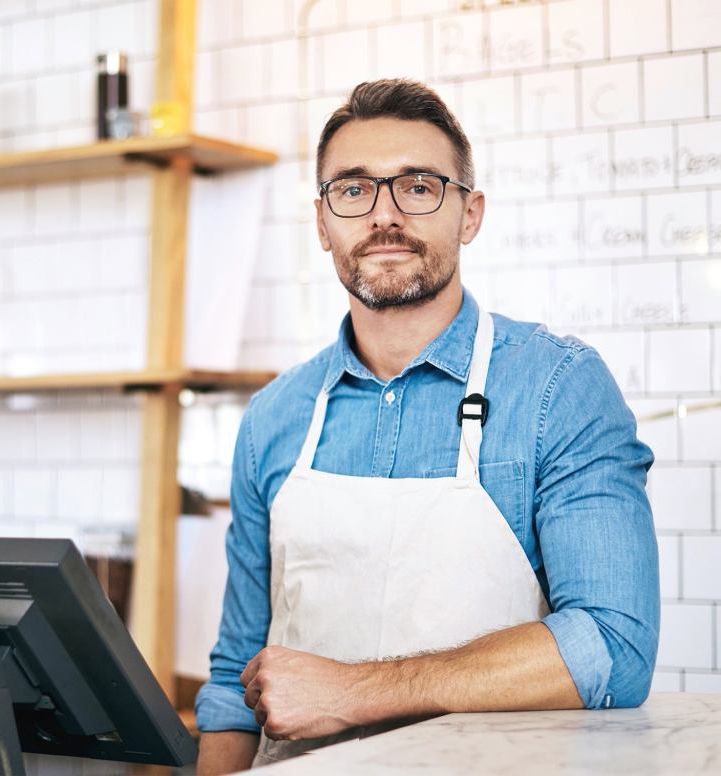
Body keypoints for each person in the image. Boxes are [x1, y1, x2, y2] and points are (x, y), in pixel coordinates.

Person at [194, 78, 659, 774]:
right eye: (353, 189)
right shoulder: (274, 418)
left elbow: (613, 648)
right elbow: (237, 678)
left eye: (418, 186)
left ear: (469, 214)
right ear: (322, 223)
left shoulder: (557, 389)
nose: (384, 215)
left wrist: (355, 692)